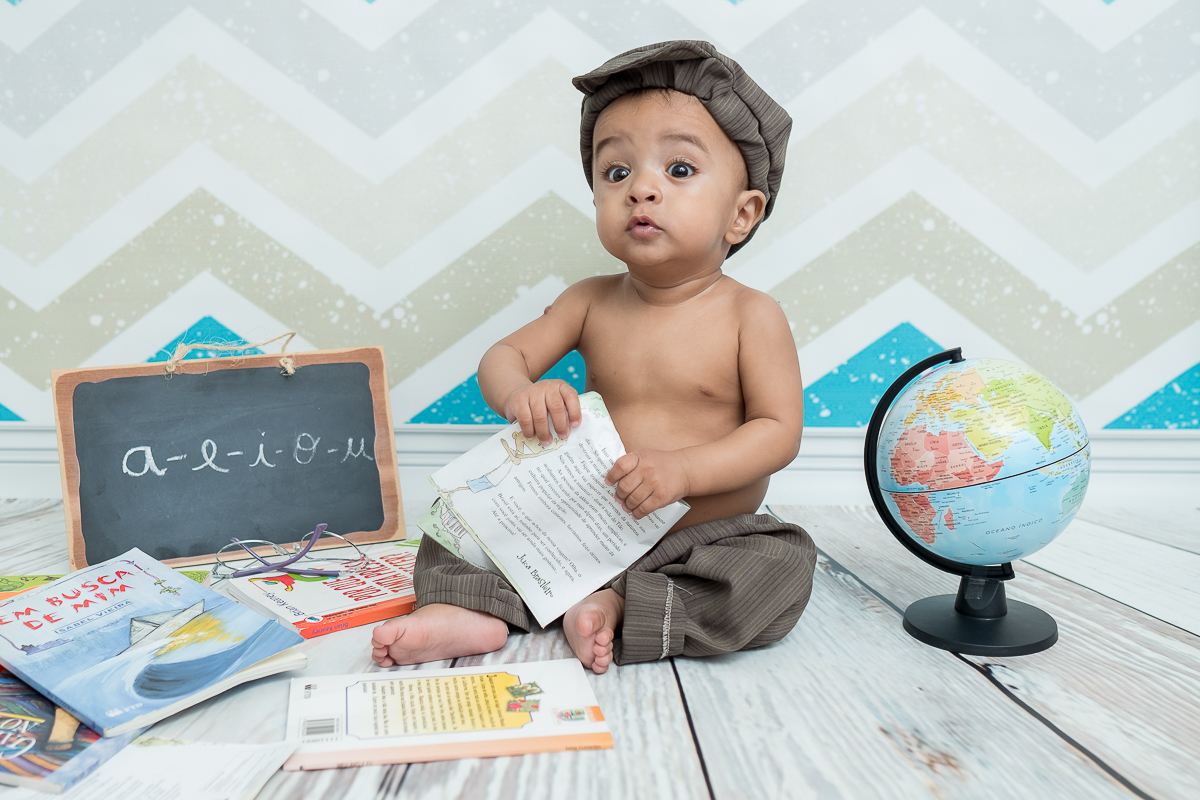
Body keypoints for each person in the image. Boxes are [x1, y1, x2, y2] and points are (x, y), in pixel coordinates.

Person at [372, 40, 817, 673]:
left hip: (696, 537)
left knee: (780, 568)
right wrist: (520, 391)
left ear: (742, 215)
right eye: (616, 173)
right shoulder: (589, 302)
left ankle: (618, 606)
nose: (642, 190)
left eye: (680, 170)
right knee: (455, 524)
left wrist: (684, 472)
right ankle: (472, 610)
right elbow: (502, 357)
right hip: (581, 523)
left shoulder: (752, 314)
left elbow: (778, 434)